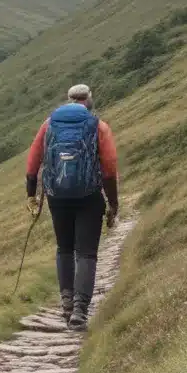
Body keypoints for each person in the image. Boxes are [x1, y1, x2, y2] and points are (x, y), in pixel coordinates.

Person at [26, 83, 120, 331]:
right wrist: (113, 203)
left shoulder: (49, 125)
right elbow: (109, 168)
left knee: (64, 248)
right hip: (89, 196)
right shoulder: (98, 125)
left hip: (57, 197)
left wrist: (31, 196)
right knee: (86, 253)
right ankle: (80, 310)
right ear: (88, 100)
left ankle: (67, 303)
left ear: (68, 100)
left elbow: (33, 161)